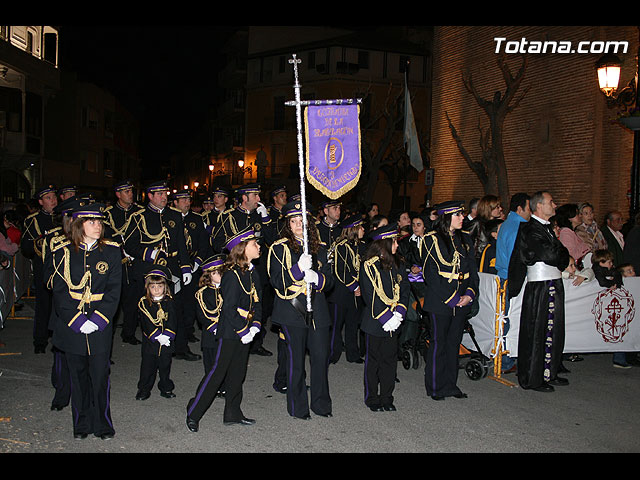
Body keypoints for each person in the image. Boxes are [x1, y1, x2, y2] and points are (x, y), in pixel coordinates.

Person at [43, 202, 122, 440]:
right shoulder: (63, 252)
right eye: (92, 222)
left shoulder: (111, 251)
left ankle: (103, 423)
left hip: (100, 325)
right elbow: (59, 292)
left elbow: (114, 290)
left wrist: (99, 318)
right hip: (72, 325)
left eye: (99, 222)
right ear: (79, 225)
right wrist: (77, 320)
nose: (98, 226)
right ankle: (81, 423)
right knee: (77, 377)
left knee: (100, 376)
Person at [186, 227, 262, 432]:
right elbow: (227, 309)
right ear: (243, 248)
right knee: (217, 373)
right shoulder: (231, 275)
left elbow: (258, 303)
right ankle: (194, 411)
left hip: (246, 330)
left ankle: (232, 413)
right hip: (231, 332)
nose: (259, 246)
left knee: (238, 374)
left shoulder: (252, 272)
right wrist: (242, 330)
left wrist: (255, 326)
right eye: (255, 244)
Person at [267, 200, 334, 420]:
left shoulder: (320, 248)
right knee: (295, 362)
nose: (298, 226)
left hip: (318, 311)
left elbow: (331, 281)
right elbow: (277, 281)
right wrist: (298, 269)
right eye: (294, 222)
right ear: (288, 224)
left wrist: (317, 278)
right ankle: (298, 408)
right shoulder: (279, 248)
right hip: (292, 310)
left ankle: (321, 404)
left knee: (320, 358)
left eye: (302, 222)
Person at [122, 180, 198, 361]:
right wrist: (150, 253)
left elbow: (181, 243)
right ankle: (153, 350)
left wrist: (186, 267)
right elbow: (130, 245)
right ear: (150, 196)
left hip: (172, 268)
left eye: (165, 194)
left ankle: (180, 348)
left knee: (176, 309)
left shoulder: (175, 215)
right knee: (151, 311)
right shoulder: (138, 216)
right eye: (160, 194)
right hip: (149, 270)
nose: (164, 197)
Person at [508, 191, 570, 393]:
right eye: (551, 202)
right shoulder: (529, 229)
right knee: (536, 331)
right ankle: (532, 377)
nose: (555, 205)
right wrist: (560, 253)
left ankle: (548, 371)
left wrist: (560, 253)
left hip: (553, 283)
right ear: (539, 206)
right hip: (540, 287)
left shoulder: (547, 228)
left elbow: (561, 254)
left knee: (553, 329)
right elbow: (551, 253)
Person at [419, 201, 479, 400]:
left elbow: (472, 270)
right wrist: (451, 298)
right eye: (458, 215)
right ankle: (435, 386)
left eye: (462, 215)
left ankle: (451, 385)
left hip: (462, 299)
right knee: (438, 343)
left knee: (454, 343)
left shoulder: (465, 239)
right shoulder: (432, 239)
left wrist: (469, 293)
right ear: (447, 217)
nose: (463, 218)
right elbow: (431, 273)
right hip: (441, 301)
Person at [359, 224, 410, 411]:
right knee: (373, 361)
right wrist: (386, 317)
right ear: (384, 244)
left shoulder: (398, 263)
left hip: (395, 318)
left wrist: (400, 313)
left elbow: (405, 288)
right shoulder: (369, 265)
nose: (397, 244)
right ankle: (372, 397)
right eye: (394, 241)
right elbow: (369, 294)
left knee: (389, 361)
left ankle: (387, 397)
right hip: (375, 321)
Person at [103, 179, 145, 346]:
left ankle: (129, 332)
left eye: (131, 191)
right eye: (126, 192)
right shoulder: (109, 213)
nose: (130, 194)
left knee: (133, 300)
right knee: (113, 302)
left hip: (134, 261)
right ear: (118, 194)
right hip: (116, 262)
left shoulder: (140, 212)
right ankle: (108, 337)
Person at [21, 184, 58, 353]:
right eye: (49, 198)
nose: (53, 200)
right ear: (41, 201)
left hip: (61, 268)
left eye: (54, 197)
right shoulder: (33, 220)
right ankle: (40, 341)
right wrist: (40, 243)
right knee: (43, 305)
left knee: (60, 306)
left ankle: (58, 340)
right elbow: (26, 248)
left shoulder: (63, 217)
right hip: (43, 267)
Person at [172, 189, 212, 345]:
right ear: (175, 202)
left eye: (189, 200)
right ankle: (176, 332)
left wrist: (197, 261)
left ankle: (188, 330)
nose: (187, 203)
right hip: (176, 265)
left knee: (191, 301)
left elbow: (203, 243)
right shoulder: (170, 218)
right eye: (183, 200)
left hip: (193, 264)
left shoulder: (196, 218)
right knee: (176, 302)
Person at [136, 265, 177, 400]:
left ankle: (166, 387)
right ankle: (144, 389)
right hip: (151, 343)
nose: (157, 290)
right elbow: (146, 322)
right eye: (153, 287)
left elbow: (173, 320)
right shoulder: (144, 303)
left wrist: (167, 335)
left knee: (165, 367)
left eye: (159, 286)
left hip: (166, 342)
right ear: (148, 288)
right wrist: (157, 336)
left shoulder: (169, 301)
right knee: (148, 368)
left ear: (165, 287)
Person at [330, 214, 366, 364]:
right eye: (361, 227)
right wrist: (354, 286)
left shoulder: (362, 245)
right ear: (354, 229)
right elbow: (340, 270)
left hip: (356, 292)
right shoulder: (341, 246)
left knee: (352, 324)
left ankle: (353, 353)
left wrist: (362, 286)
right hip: (342, 292)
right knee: (336, 325)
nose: (364, 229)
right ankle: (333, 353)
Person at [194, 254, 226, 374]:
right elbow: (201, 314)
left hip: (226, 330)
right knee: (211, 363)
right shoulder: (203, 293)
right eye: (215, 273)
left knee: (224, 361)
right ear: (208, 276)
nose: (219, 276)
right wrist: (213, 327)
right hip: (210, 333)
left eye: (221, 272)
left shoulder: (228, 289)